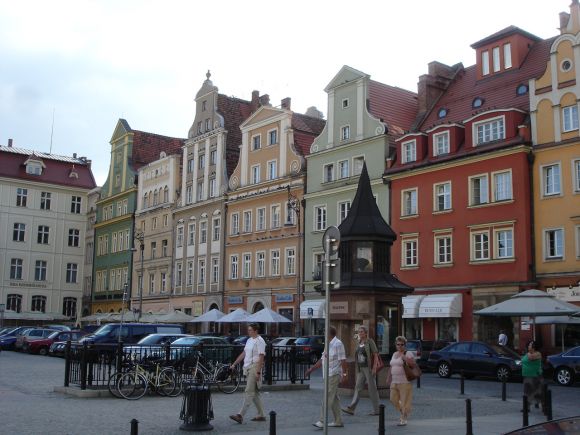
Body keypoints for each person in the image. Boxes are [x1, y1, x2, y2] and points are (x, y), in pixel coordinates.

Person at [306, 326, 347, 428]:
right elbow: (322, 360)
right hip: (327, 375)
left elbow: (343, 360)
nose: (324, 334)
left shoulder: (338, 344)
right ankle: (338, 421)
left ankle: (322, 420)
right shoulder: (327, 344)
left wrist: (344, 374)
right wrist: (311, 369)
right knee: (334, 398)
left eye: (325, 332)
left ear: (329, 333)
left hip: (334, 374)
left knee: (327, 397)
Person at [229, 323, 266, 424]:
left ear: (255, 331)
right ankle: (261, 415)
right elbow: (244, 353)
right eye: (248, 330)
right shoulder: (249, 340)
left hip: (255, 367)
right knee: (255, 393)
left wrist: (258, 372)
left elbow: (261, 357)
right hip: (248, 367)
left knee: (249, 391)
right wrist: (234, 363)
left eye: (250, 330)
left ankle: (240, 415)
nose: (248, 331)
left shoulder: (260, 341)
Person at [342, 326, 380, 416]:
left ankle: (377, 410)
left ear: (366, 333)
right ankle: (351, 408)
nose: (360, 333)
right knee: (358, 387)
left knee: (372, 389)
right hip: (361, 368)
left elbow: (376, 355)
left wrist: (374, 367)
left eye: (362, 331)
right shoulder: (359, 342)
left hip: (368, 368)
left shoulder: (370, 341)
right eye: (359, 332)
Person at [389, 336, 416, 426]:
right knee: (392, 399)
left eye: (402, 344)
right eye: (398, 344)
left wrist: (405, 358)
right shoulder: (394, 354)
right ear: (396, 345)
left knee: (404, 401)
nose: (400, 346)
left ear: (405, 345)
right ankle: (403, 411)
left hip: (405, 381)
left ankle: (403, 418)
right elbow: (391, 366)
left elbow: (413, 364)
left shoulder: (408, 353)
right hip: (394, 381)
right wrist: (388, 377)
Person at [521, 340, 543, 411]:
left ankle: (543, 406)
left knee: (536, 392)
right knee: (527, 392)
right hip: (527, 375)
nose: (528, 346)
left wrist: (527, 352)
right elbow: (523, 360)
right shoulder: (527, 353)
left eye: (530, 345)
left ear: (534, 347)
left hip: (535, 375)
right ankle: (527, 408)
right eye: (528, 345)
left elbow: (531, 358)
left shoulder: (538, 353)